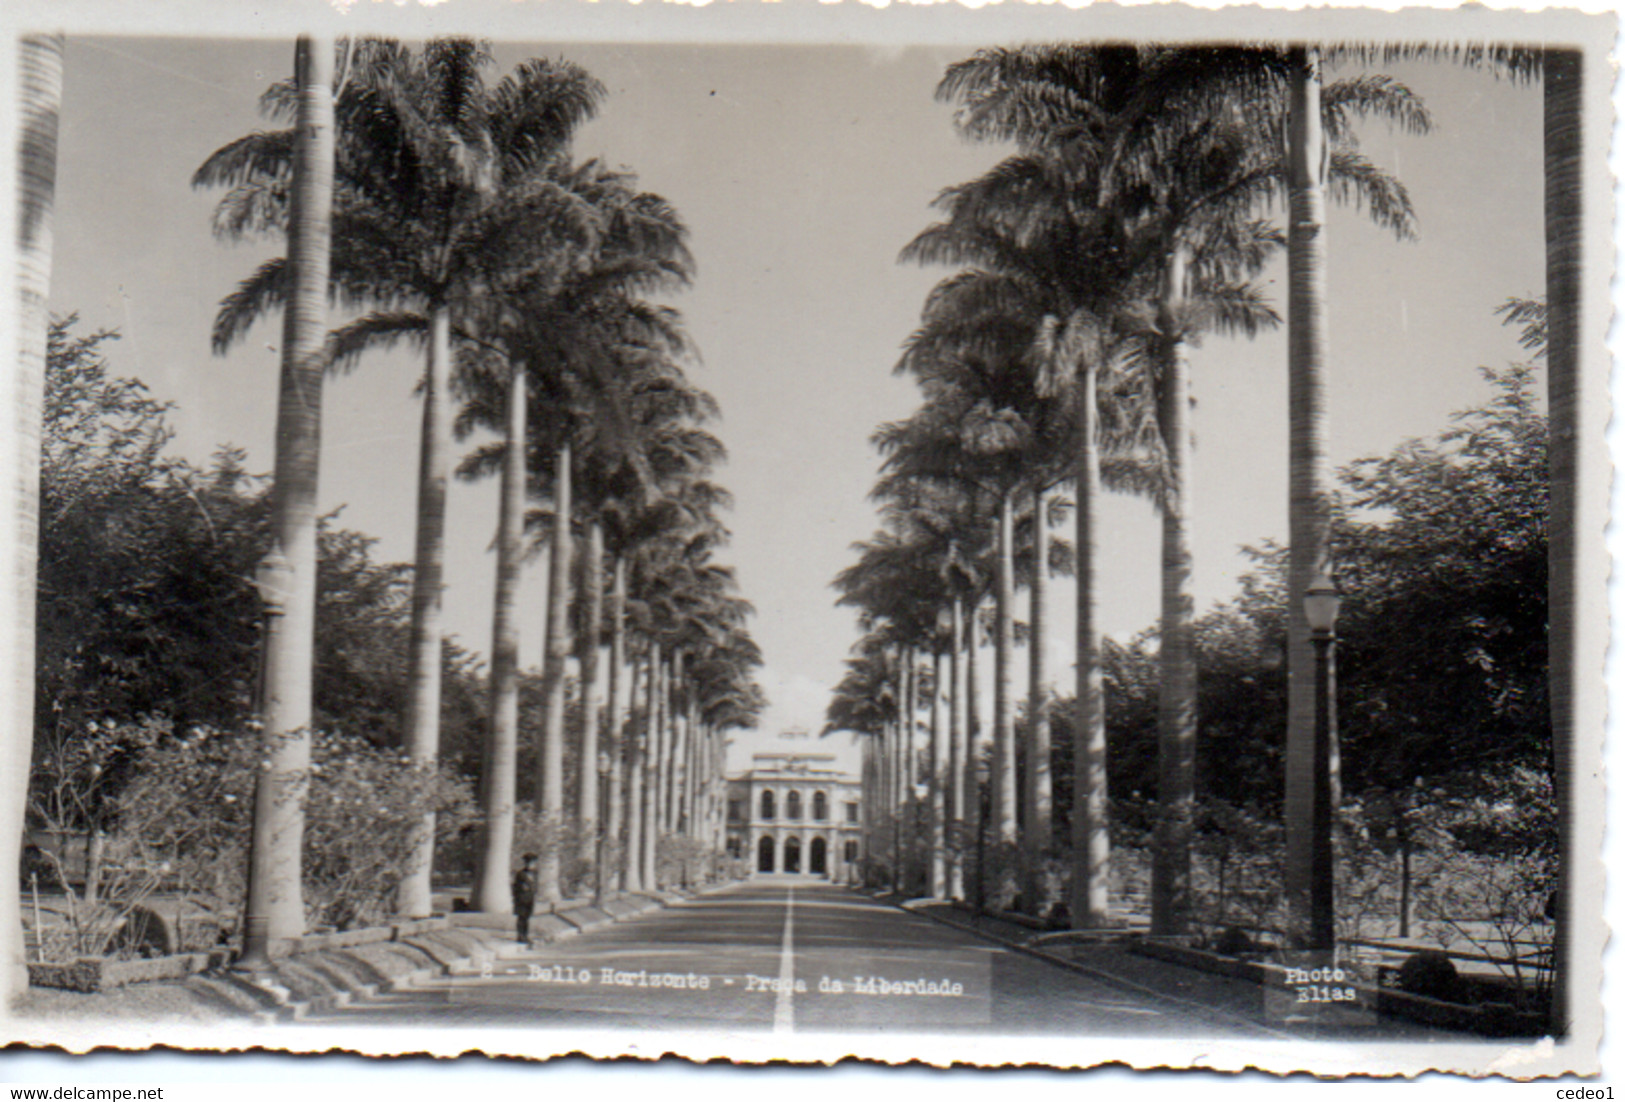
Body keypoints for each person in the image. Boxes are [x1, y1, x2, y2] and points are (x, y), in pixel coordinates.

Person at [512, 853, 539, 945]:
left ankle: (526, 935)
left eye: (532, 863)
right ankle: (520, 936)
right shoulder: (520, 874)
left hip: (530, 899)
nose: (530, 865)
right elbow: (515, 887)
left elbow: (535, 885)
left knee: (527, 918)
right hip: (521, 898)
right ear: (525, 863)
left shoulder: (535, 873)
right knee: (521, 917)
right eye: (528, 863)